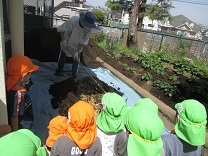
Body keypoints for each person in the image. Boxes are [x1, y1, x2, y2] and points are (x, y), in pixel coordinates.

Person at [55, 11, 97, 79]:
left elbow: (83, 42)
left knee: (76, 61)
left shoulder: (89, 29)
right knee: (62, 58)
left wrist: (77, 52)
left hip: (77, 46)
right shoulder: (73, 21)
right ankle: (59, 71)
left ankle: (74, 76)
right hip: (67, 43)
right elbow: (61, 30)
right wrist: (63, 40)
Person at [6, 55, 39, 131]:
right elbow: (14, 116)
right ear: (24, 76)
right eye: (30, 73)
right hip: (23, 125)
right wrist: (16, 132)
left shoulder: (11, 83)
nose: (30, 76)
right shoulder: (18, 96)